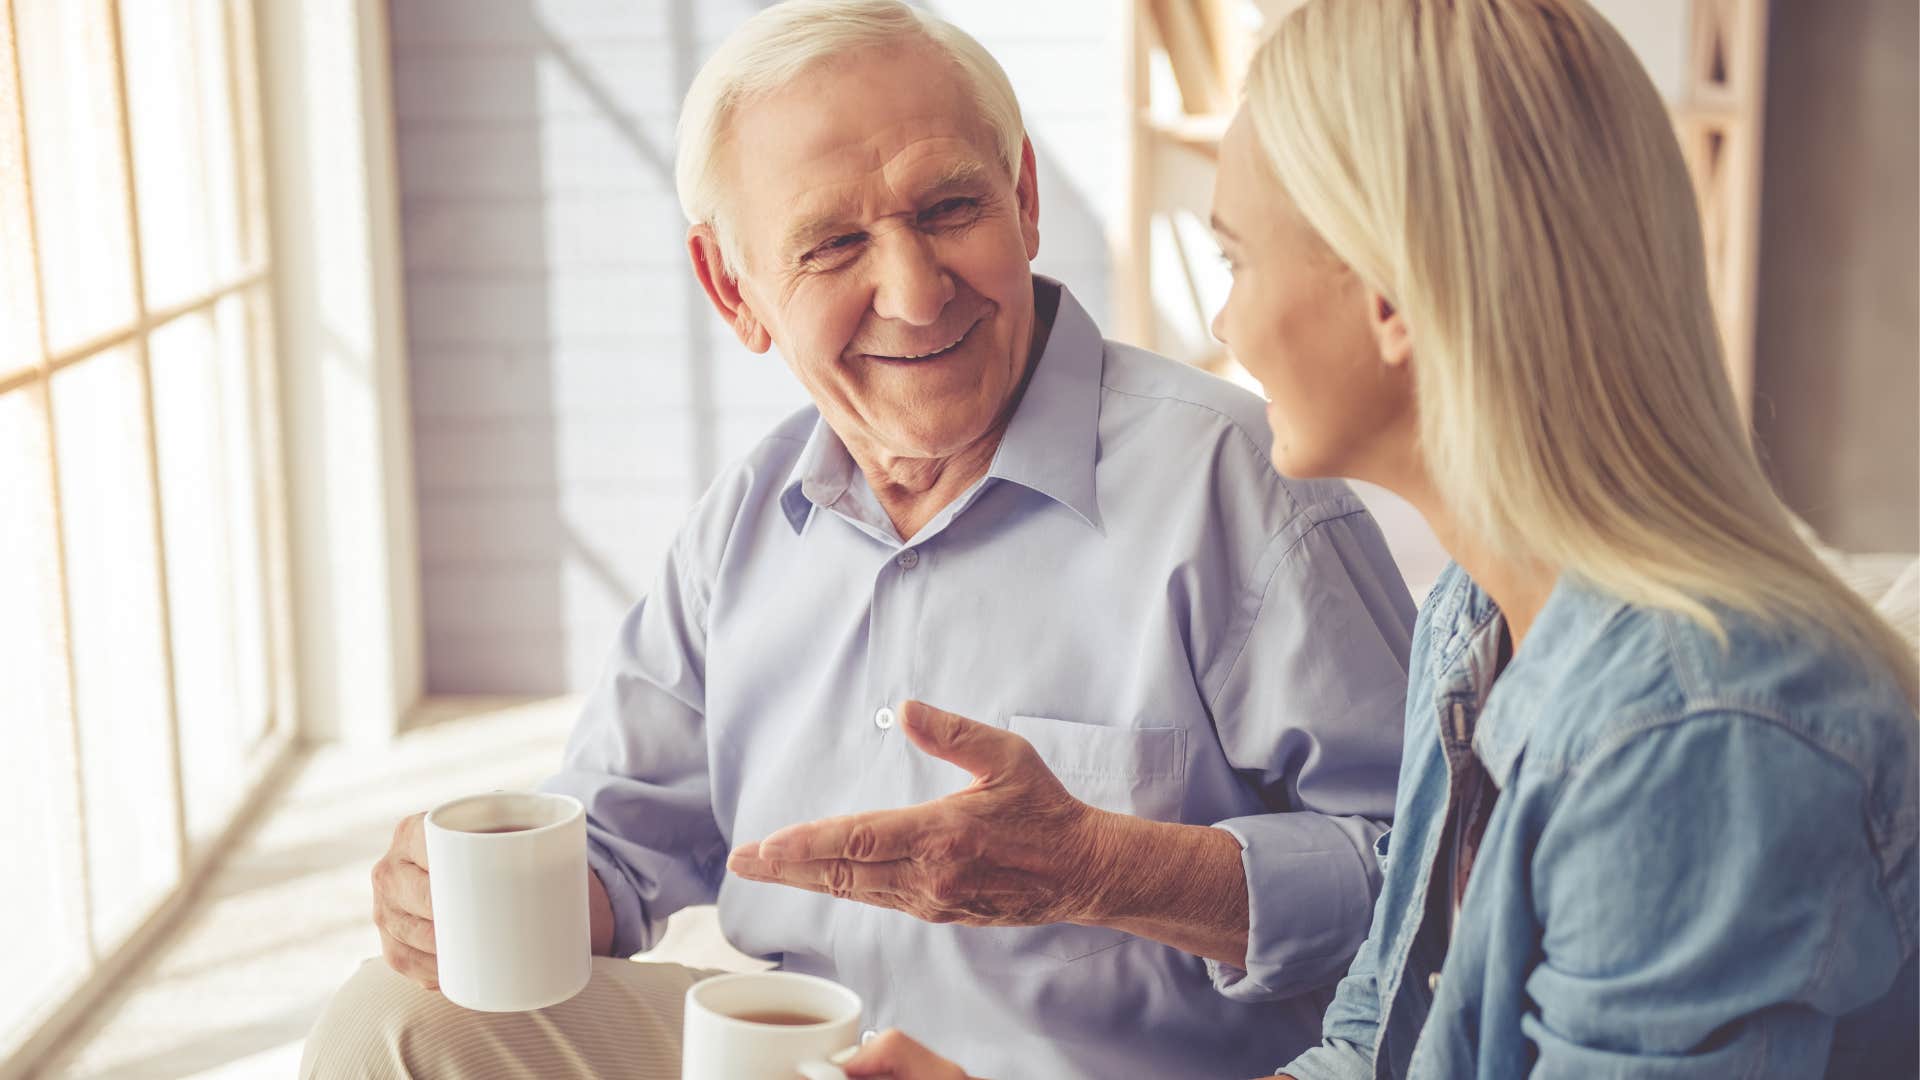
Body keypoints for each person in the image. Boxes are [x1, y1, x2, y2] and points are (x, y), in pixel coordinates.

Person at [298, 2, 1418, 1077]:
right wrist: (473, 903)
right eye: (833, 244)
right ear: (733, 288)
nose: (916, 294)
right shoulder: (743, 522)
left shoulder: (1243, 484)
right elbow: (619, 842)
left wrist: (1104, 869)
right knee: (393, 1023)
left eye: (949, 210)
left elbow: (1435, 888)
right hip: (795, 1053)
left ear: (1025, 197)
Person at [830, 0, 1920, 1076]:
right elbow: (1374, 1048)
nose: (1227, 325)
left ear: (1392, 293)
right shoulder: (1476, 618)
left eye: (1236, 262)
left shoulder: (1694, 736)